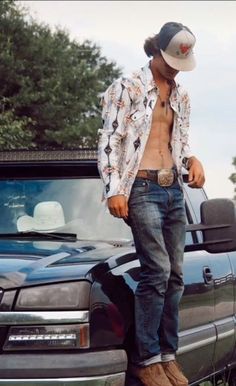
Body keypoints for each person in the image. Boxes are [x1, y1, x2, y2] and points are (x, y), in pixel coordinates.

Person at [97, 21, 205, 386]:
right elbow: (110, 138)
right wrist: (115, 188)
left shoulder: (182, 95)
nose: (176, 67)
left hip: (173, 187)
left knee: (176, 274)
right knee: (156, 270)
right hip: (140, 187)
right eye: (172, 59)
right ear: (156, 50)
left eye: (181, 62)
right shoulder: (125, 87)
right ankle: (146, 359)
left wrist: (194, 159)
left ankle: (167, 354)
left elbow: (182, 139)